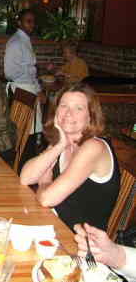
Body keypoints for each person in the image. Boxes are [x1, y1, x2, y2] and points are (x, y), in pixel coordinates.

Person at [20, 83, 120, 231]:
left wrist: (44, 184)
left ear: (90, 117)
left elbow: (47, 199)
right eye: (63, 106)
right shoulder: (64, 139)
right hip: (52, 225)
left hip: (81, 244)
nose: (68, 113)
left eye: (78, 108)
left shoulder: (94, 147)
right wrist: (59, 145)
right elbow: (26, 178)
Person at [4, 9, 45, 134]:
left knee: (29, 130)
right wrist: (29, 72)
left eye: (33, 21)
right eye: (28, 21)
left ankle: (28, 153)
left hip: (27, 88)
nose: (32, 24)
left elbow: (30, 69)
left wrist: (37, 89)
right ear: (19, 22)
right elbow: (9, 73)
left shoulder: (24, 40)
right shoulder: (16, 42)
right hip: (22, 90)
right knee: (23, 132)